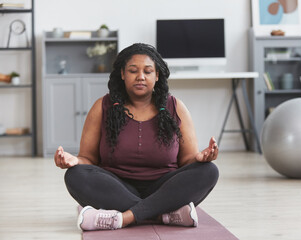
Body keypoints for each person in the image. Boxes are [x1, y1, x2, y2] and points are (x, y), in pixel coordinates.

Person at [54, 43, 219, 231]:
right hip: (116, 187)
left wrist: (200, 158)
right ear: (123, 74)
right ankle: (161, 215)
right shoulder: (102, 106)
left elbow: (187, 160)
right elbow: (89, 159)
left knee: (209, 171)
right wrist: (73, 160)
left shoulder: (176, 107)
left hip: (164, 187)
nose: (140, 76)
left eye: (148, 71)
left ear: (157, 76)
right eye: (133, 71)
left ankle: (125, 217)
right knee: (75, 175)